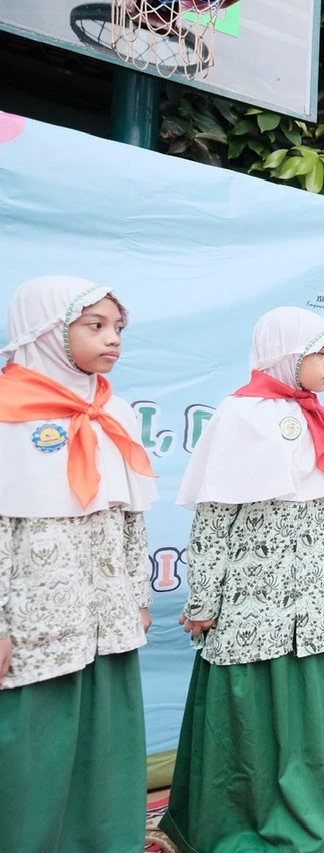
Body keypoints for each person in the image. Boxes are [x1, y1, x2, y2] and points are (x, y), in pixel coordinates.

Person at [159, 307, 324, 853]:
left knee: (304, 709)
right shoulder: (239, 416)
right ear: (287, 355)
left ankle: (309, 806)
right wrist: (205, 599)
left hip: (308, 605)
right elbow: (215, 520)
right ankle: (237, 820)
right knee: (248, 712)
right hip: (249, 607)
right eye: (321, 353)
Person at [0, 275, 158, 853]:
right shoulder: (6, 412)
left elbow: (130, 517)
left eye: (118, 327)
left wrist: (137, 596)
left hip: (107, 617)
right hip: (36, 627)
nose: (113, 339)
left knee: (106, 745)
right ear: (44, 331)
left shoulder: (113, 411)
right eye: (95, 325)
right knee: (32, 749)